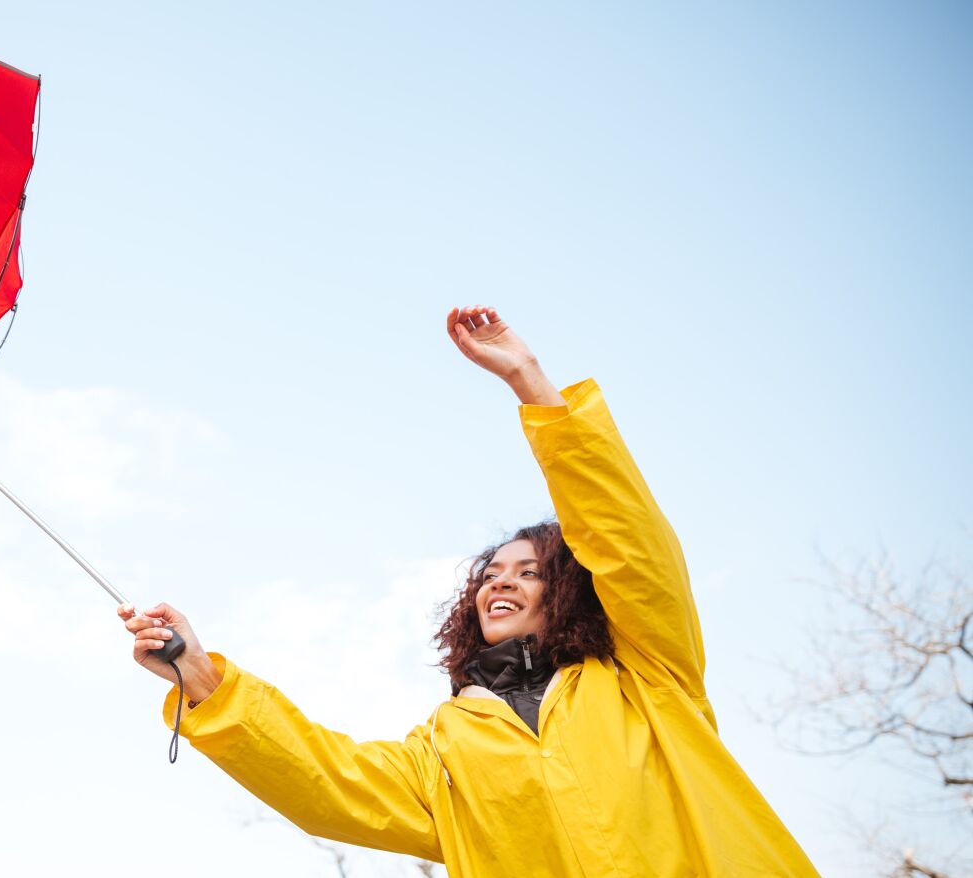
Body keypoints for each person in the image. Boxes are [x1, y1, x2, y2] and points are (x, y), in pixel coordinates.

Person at [118, 306, 820, 877]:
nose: (500, 584)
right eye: (489, 577)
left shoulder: (649, 676)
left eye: (527, 571)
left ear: (571, 593)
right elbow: (328, 781)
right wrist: (205, 681)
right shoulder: (447, 750)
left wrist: (533, 386)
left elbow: (629, 542)